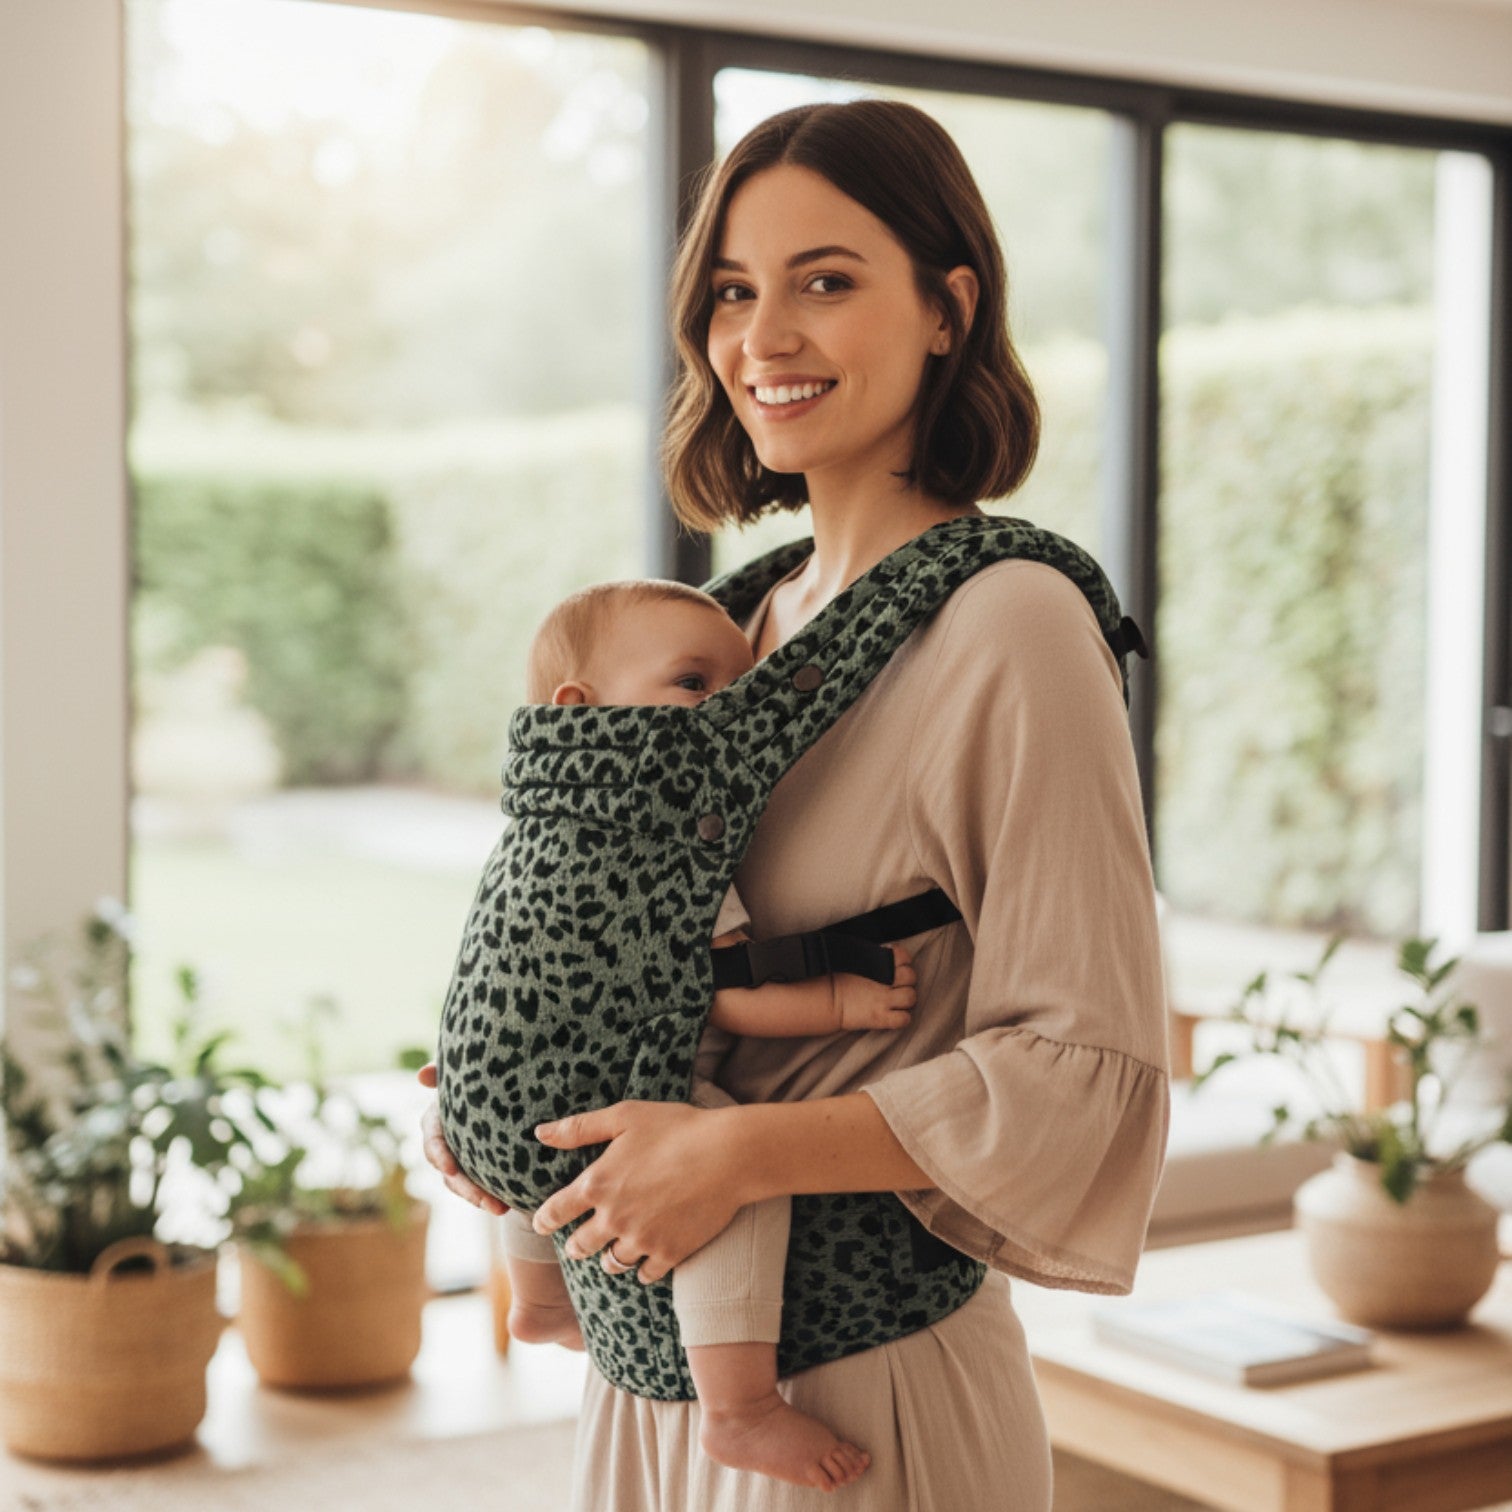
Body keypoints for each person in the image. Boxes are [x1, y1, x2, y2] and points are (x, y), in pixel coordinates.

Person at [418, 97, 1170, 1511]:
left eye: (826, 280)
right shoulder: (724, 627)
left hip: (859, 1396)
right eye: (731, 292)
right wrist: (518, 1084)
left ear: (950, 308)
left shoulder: (1010, 622)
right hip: (652, 1382)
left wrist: (739, 1151)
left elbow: (1086, 1058)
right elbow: (624, 934)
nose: (765, 336)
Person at [481, 576, 917, 1492]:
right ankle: (742, 1408)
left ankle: (536, 1299)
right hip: (592, 1110)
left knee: (538, 1141)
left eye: (738, 687)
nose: (724, 713)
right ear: (581, 708)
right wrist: (842, 1005)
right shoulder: (662, 839)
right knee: (730, 1168)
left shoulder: (534, 823)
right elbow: (727, 993)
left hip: (493, 1099)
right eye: (694, 684)